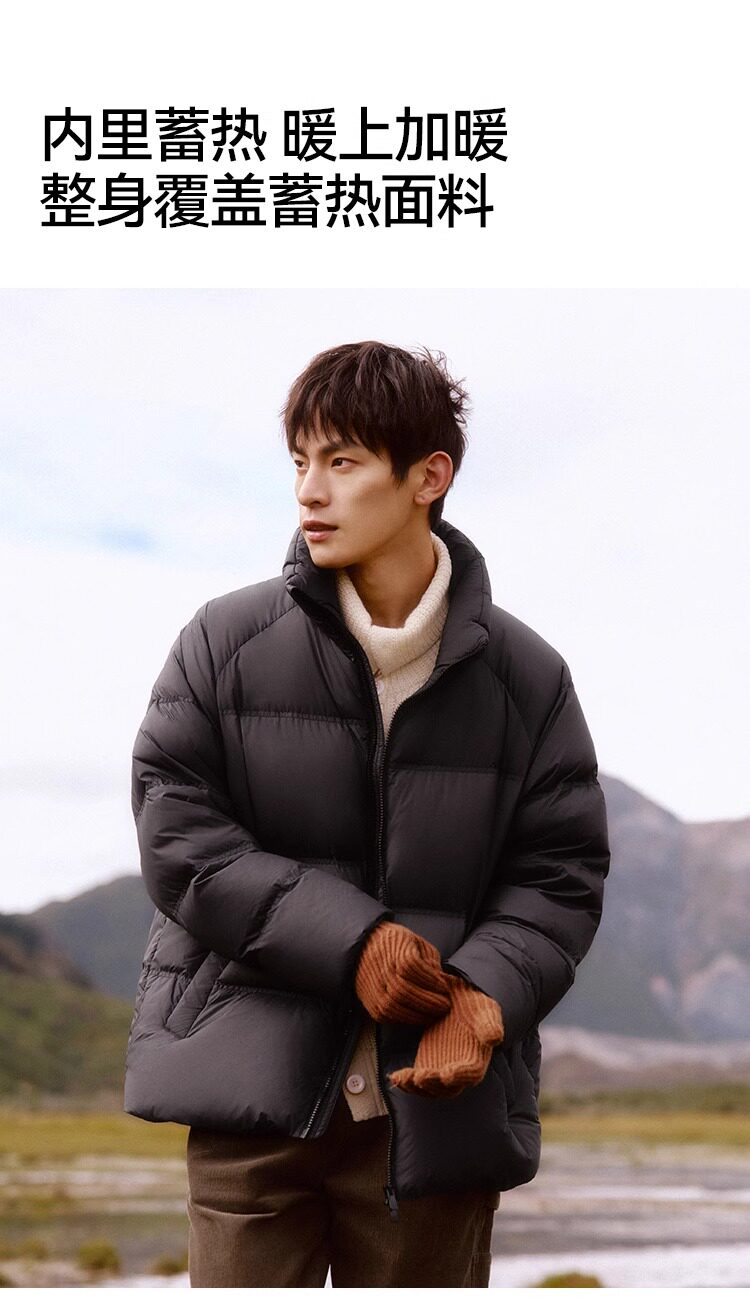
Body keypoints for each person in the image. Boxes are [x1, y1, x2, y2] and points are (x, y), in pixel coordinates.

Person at [123, 340, 610, 1287]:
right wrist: (356, 942)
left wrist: (481, 998)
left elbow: (561, 875)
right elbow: (180, 837)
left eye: (342, 461)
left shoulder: (530, 680)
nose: (310, 491)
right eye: (300, 461)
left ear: (430, 476)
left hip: (439, 1112)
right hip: (251, 1104)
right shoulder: (223, 642)